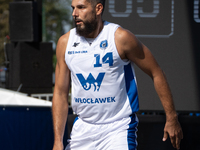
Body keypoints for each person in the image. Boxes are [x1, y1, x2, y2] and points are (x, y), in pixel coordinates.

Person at [52, 0, 183, 149]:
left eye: (81, 8)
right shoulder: (65, 43)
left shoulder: (120, 38)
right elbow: (60, 93)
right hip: (82, 130)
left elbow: (156, 72)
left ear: (98, 9)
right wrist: (58, 141)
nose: (74, 14)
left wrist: (172, 117)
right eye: (73, 8)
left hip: (117, 128)